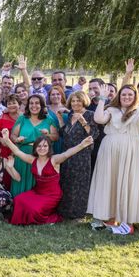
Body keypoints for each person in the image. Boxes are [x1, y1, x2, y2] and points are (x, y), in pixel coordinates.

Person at [88, 83, 139, 235]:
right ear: (119, 96)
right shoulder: (111, 110)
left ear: (135, 97)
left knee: (129, 182)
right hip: (110, 151)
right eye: (123, 94)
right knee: (111, 182)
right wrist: (102, 99)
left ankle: (127, 223)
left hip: (133, 150)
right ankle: (110, 218)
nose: (127, 97)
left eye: (130, 94)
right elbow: (99, 119)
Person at [1, 129, 94, 225]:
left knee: (34, 209)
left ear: (49, 148)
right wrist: (7, 139)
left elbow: (67, 154)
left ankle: (50, 218)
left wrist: (82, 145)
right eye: (39, 146)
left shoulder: (54, 160)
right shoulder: (33, 160)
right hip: (37, 192)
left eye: (45, 146)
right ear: (35, 148)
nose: (42, 148)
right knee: (18, 199)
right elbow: (17, 152)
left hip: (52, 195)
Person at [57, 91, 98, 220]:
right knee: (67, 181)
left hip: (81, 155)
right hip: (67, 153)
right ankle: (66, 212)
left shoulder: (90, 114)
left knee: (79, 184)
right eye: (73, 101)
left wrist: (83, 121)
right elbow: (65, 133)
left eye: (78, 101)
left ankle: (79, 214)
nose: (75, 103)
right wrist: (59, 118)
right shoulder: (70, 115)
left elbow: (94, 134)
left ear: (84, 101)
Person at [8, 94, 58, 196]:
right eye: (31, 103)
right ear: (28, 105)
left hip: (41, 155)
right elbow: (13, 135)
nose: (34, 106)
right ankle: (18, 203)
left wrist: (47, 135)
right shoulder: (22, 118)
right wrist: (17, 139)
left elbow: (56, 137)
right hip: (23, 153)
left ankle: (34, 206)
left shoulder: (48, 119)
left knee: (37, 181)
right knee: (21, 178)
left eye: (37, 103)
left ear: (42, 105)